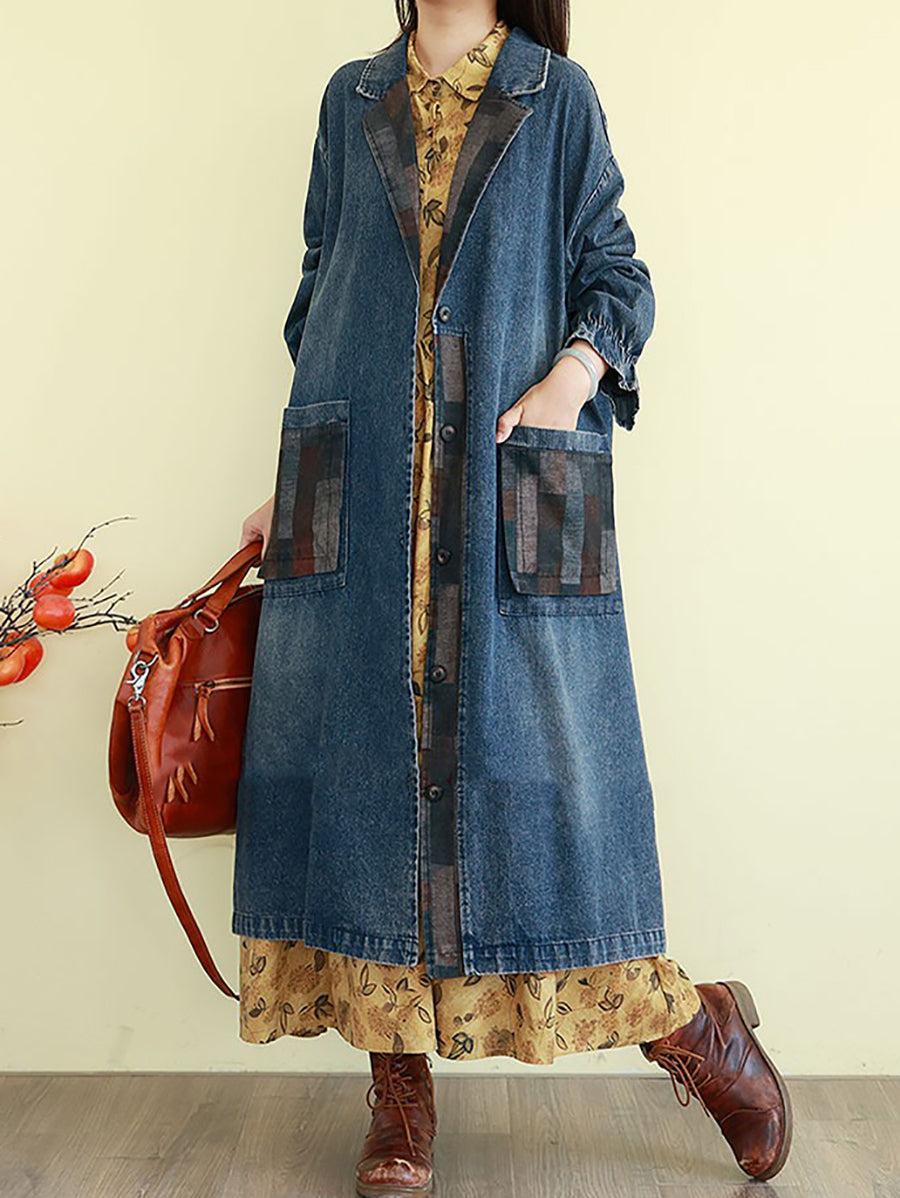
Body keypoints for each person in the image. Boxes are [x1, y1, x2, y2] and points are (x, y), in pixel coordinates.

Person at [236, 3, 793, 1194]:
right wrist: (296, 479)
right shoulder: (350, 99)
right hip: (365, 496)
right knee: (369, 789)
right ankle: (398, 1096)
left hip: (509, 483)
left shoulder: (557, 96)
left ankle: (695, 1027)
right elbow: (320, 297)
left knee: (557, 812)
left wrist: (571, 380)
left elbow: (617, 274)